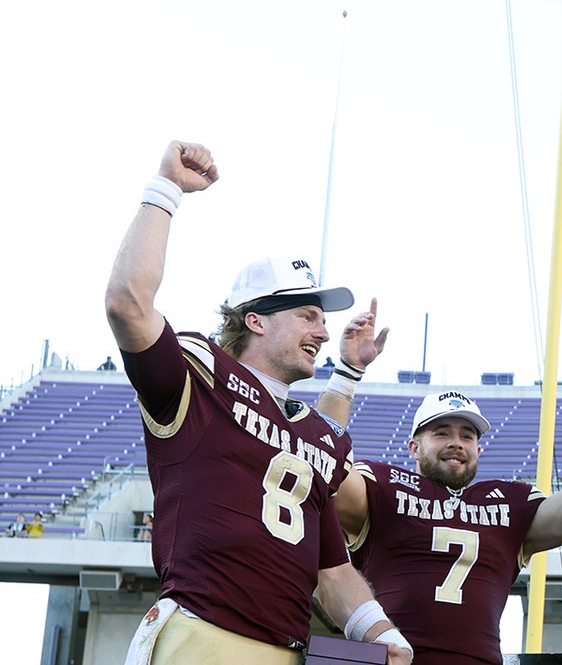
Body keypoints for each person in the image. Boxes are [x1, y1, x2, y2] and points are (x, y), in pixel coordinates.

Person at [105, 141, 411, 665]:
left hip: (289, 650)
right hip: (204, 632)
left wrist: (383, 634)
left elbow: (333, 572)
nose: (322, 329)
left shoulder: (316, 436)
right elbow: (128, 303)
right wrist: (167, 189)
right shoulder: (201, 380)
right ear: (256, 319)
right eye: (308, 315)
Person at [321, 338, 562, 664]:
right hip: (389, 659)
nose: (456, 443)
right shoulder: (383, 487)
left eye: (467, 435)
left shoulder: (510, 503)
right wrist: (348, 372)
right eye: (441, 432)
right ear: (414, 447)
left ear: (479, 449)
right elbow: (320, 465)